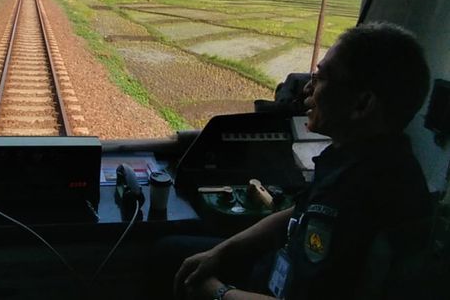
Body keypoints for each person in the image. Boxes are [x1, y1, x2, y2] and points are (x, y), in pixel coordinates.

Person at [174, 21, 432, 300]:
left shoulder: (363, 192)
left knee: (169, 256)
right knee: (176, 251)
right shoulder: (361, 158)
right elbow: (299, 213)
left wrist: (216, 293)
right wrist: (221, 252)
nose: (307, 89)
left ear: (362, 104)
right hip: (275, 275)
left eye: (321, 78)